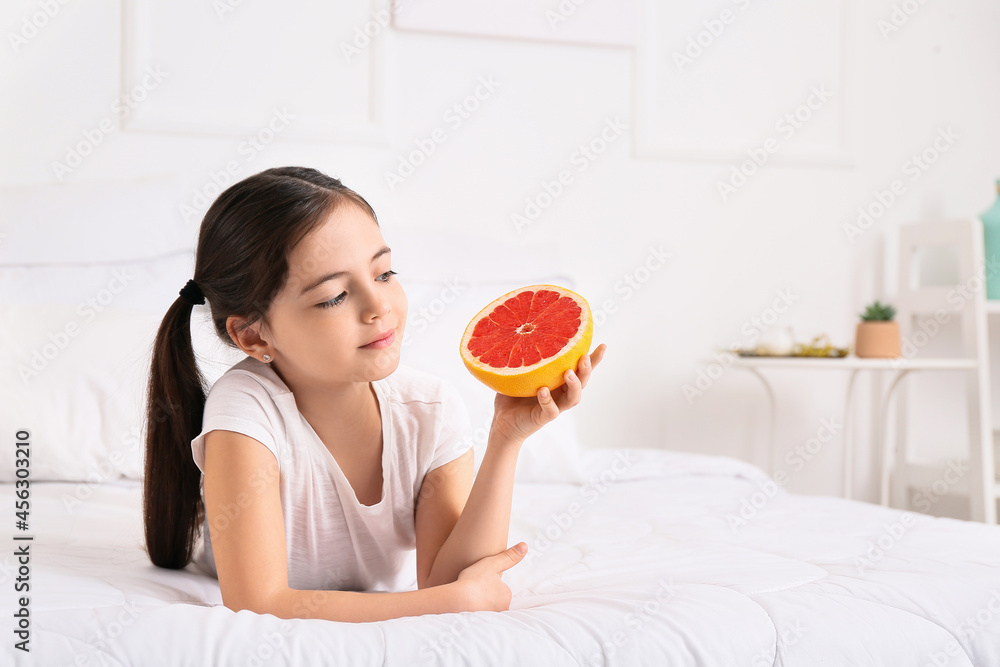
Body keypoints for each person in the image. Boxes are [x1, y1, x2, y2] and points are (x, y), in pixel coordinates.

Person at [142, 166, 606, 622]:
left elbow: (456, 579)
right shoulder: (245, 407)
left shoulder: (431, 411)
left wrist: (507, 438)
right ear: (253, 337)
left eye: (384, 273)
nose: (379, 306)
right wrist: (450, 602)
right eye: (333, 297)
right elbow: (258, 601)